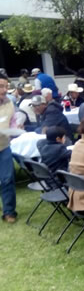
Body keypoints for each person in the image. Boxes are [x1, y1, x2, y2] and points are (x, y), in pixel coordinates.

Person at [0, 73, 17, 223]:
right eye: (1, 86)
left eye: (6, 86)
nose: (4, 89)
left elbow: (12, 120)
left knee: (7, 179)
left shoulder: (9, 102)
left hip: (4, 146)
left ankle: (9, 211)